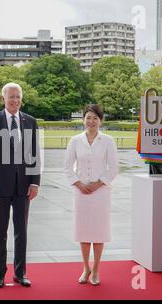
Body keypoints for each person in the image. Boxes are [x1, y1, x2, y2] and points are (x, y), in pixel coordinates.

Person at [0, 82, 41, 288]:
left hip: (24, 187)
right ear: (3, 99)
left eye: (18, 97)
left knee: (21, 232)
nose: (15, 100)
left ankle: (20, 273)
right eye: (11, 97)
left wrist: (35, 183)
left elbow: (35, 154)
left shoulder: (30, 122)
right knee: (0, 232)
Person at [64, 104, 118, 286]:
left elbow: (114, 168)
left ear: (101, 121)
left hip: (101, 192)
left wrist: (97, 184)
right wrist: (79, 183)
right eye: (88, 117)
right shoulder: (75, 141)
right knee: (84, 232)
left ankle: (96, 269)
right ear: (83, 120)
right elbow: (67, 167)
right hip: (81, 193)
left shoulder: (108, 141)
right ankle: (86, 267)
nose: (91, 121)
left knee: (99, 232)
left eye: (95, 118)